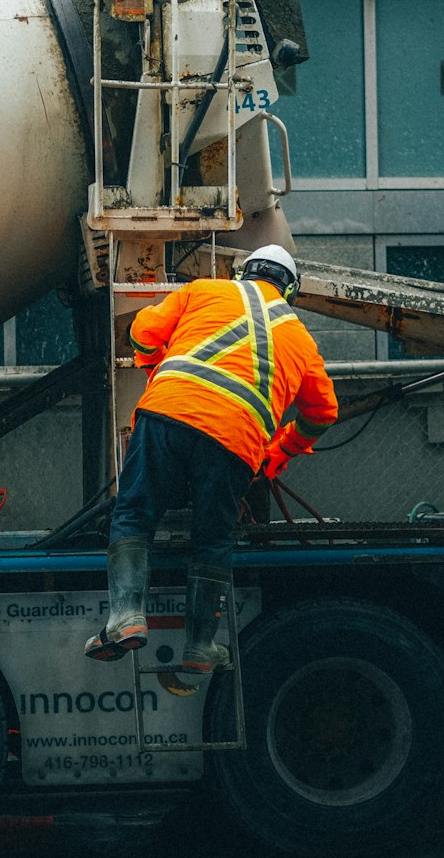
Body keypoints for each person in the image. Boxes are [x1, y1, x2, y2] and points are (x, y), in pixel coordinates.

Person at [84, 245, 338, 692]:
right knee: (213, 538)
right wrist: (276, 456)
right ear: (290, 290)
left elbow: (143, 330)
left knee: (133, 514)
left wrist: (153, 368)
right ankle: (200, 646)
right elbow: (322, 412)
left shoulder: (204, 290)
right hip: (234, 444)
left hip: (168, 414)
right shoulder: (302, 340)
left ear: (242, 273)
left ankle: (125, 618)